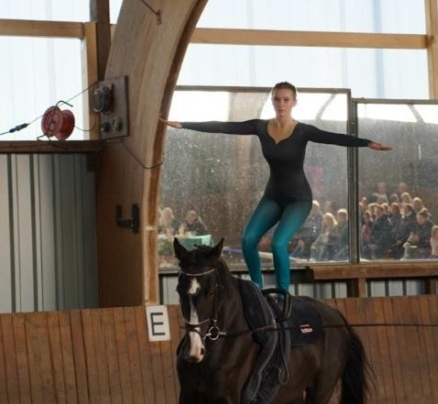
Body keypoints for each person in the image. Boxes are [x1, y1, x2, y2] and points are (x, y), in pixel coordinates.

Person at [161, 81, 392, 291]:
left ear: (294, 102)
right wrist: (183, 124)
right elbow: (224, 126)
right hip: (273, 196)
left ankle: (283, 294)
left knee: (278, 242)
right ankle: (256, 288)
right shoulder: (260, 127)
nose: (281, 104)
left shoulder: (303, 131)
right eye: (277, 99)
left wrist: (367, 143)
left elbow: (336, 138)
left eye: (286, 99)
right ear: (273, 101)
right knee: (248, 240)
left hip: (298, 199)